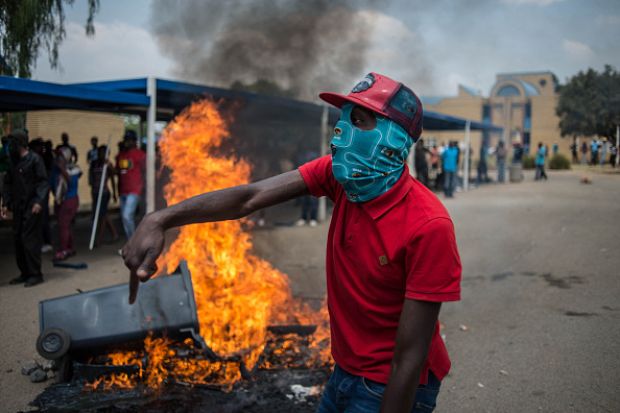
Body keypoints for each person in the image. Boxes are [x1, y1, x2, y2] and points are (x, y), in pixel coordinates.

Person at [121, 73, 462, 413]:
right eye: (343, 119)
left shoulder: (429, 227)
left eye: (358, 120)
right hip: (345, 370)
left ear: (392, 139)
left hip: (393, 384)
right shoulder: (338, 176)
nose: (340, 131)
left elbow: (409, 359)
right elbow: (249, 198)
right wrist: (159, 218)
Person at [1, 130, 49, 287]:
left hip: (31, 207)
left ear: (20, 143)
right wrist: (7, 202)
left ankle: (36, 274)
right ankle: (24, 273)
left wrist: (38, 202)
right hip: (18, 207)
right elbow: (7, 183)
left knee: (29, 240)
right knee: (18, 241)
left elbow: (43, 182)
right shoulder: (13, 161)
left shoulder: (35, 160)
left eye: (12, 142)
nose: (9, 146)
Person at [52, 146, 82, 261]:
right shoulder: (57, 169)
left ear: (66, 157)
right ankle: (70, 248)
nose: (58, 158)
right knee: (66, 226)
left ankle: (64, 250)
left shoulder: (73, 169)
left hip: (70, 200)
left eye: (60, 156)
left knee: (63, 226)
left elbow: (70, 182)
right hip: (62, 200)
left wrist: (62, 169)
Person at [116, 131, 145, 239]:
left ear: (134, 141)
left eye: (129, 140)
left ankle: (133, 242)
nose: (126, 142)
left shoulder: (140, 154)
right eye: (126, 140)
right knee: (125, 218)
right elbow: (118, 172)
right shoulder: (120, 155)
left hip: (134, 190)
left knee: (127, 216)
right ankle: (130, 241)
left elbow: (146, 171)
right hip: (123, 190)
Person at [90, 145, 119, 244]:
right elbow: (91, 179)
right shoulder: (94, 164)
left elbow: (113, 177)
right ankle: (114, 233)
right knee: (100, 215)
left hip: (104, 193)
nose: (101, 154)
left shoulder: (107, 164)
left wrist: (115, 193)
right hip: (95, 192)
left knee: (102, 215)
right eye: (99, 152)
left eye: (103, 152)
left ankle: (99, 239)